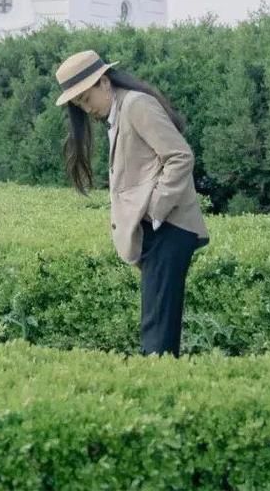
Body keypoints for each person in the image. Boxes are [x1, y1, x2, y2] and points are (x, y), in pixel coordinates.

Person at [54, 49, 209, 358]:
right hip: (156, 232)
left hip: (169, 227)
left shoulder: (137, 105)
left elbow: (180, 156)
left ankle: (158, 397)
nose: (86, 109)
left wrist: (154, 209)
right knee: (157, 327)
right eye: (79, 104)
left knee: (158, 336)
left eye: (86, 98)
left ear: (104, 82)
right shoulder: (119, 111)